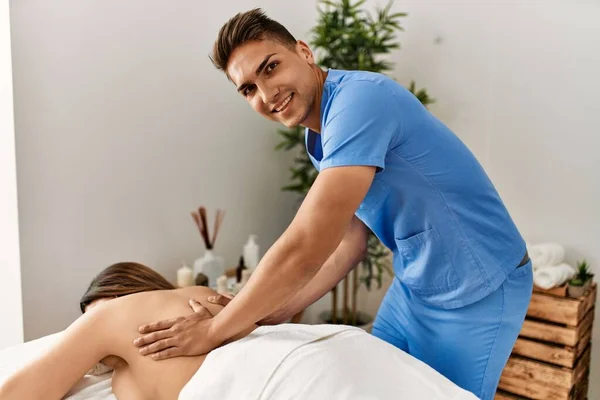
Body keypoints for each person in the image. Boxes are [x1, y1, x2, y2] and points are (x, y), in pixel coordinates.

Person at [132, 8, 533, 400]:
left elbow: (308, 243)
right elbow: (348, 245)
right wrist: (272, 310)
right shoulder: (319, 137)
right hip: (415, 286)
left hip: (480, 288)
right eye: (248, 89)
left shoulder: (360, 102)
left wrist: (215, 329)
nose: (266, 94)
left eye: (270, 68)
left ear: (304, 52)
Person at [0, 262, 479, 400]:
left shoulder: (108, 321)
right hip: (338, 348)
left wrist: (79, 339)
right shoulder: (206, 300)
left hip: (296, 381)